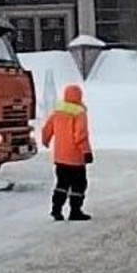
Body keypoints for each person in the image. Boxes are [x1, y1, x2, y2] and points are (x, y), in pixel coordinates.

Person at [42, 84, 94, 221]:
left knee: (62, 184)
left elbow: (47, 128)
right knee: (79, 184)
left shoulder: (57, 111)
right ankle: (75, 211)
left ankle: (56, 209)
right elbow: (80, 135)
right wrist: (86, 152)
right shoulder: (79, 113)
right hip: (75, 159)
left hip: (60, 158)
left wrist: (45, 140)